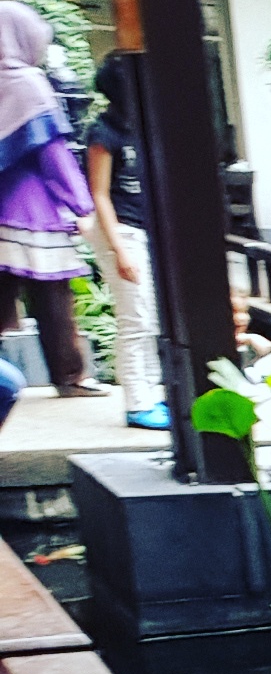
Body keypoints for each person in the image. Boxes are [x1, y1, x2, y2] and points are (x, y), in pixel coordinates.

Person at [0, 2, 101, 399]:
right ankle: (70, 378)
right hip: (32, 209)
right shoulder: (29, 83)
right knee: (54, 298)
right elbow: (52, 153)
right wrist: (82, 205)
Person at [84, 52, 165, 430]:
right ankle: (137, 403)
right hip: (120, 231)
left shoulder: (143, 126)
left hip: (145, 230)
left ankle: (153, 394)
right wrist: (119, 251)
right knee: (135, 319)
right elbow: (99, 194)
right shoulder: (104, 132)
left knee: (151, 318)